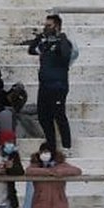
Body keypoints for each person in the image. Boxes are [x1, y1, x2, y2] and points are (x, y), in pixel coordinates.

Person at [29, 15, 74, 152]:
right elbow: (31, 50)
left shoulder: (64, 42)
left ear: (57, 26)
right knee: (43, 116)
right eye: (45, 25)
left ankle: (67, 147)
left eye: (49, 25)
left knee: (59, 115)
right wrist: (40, 37)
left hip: (58, 86)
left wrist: (61, 37)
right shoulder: (45, 44)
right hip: (44, 86)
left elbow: (66, 54)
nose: (46, 28)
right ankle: (51, 145)